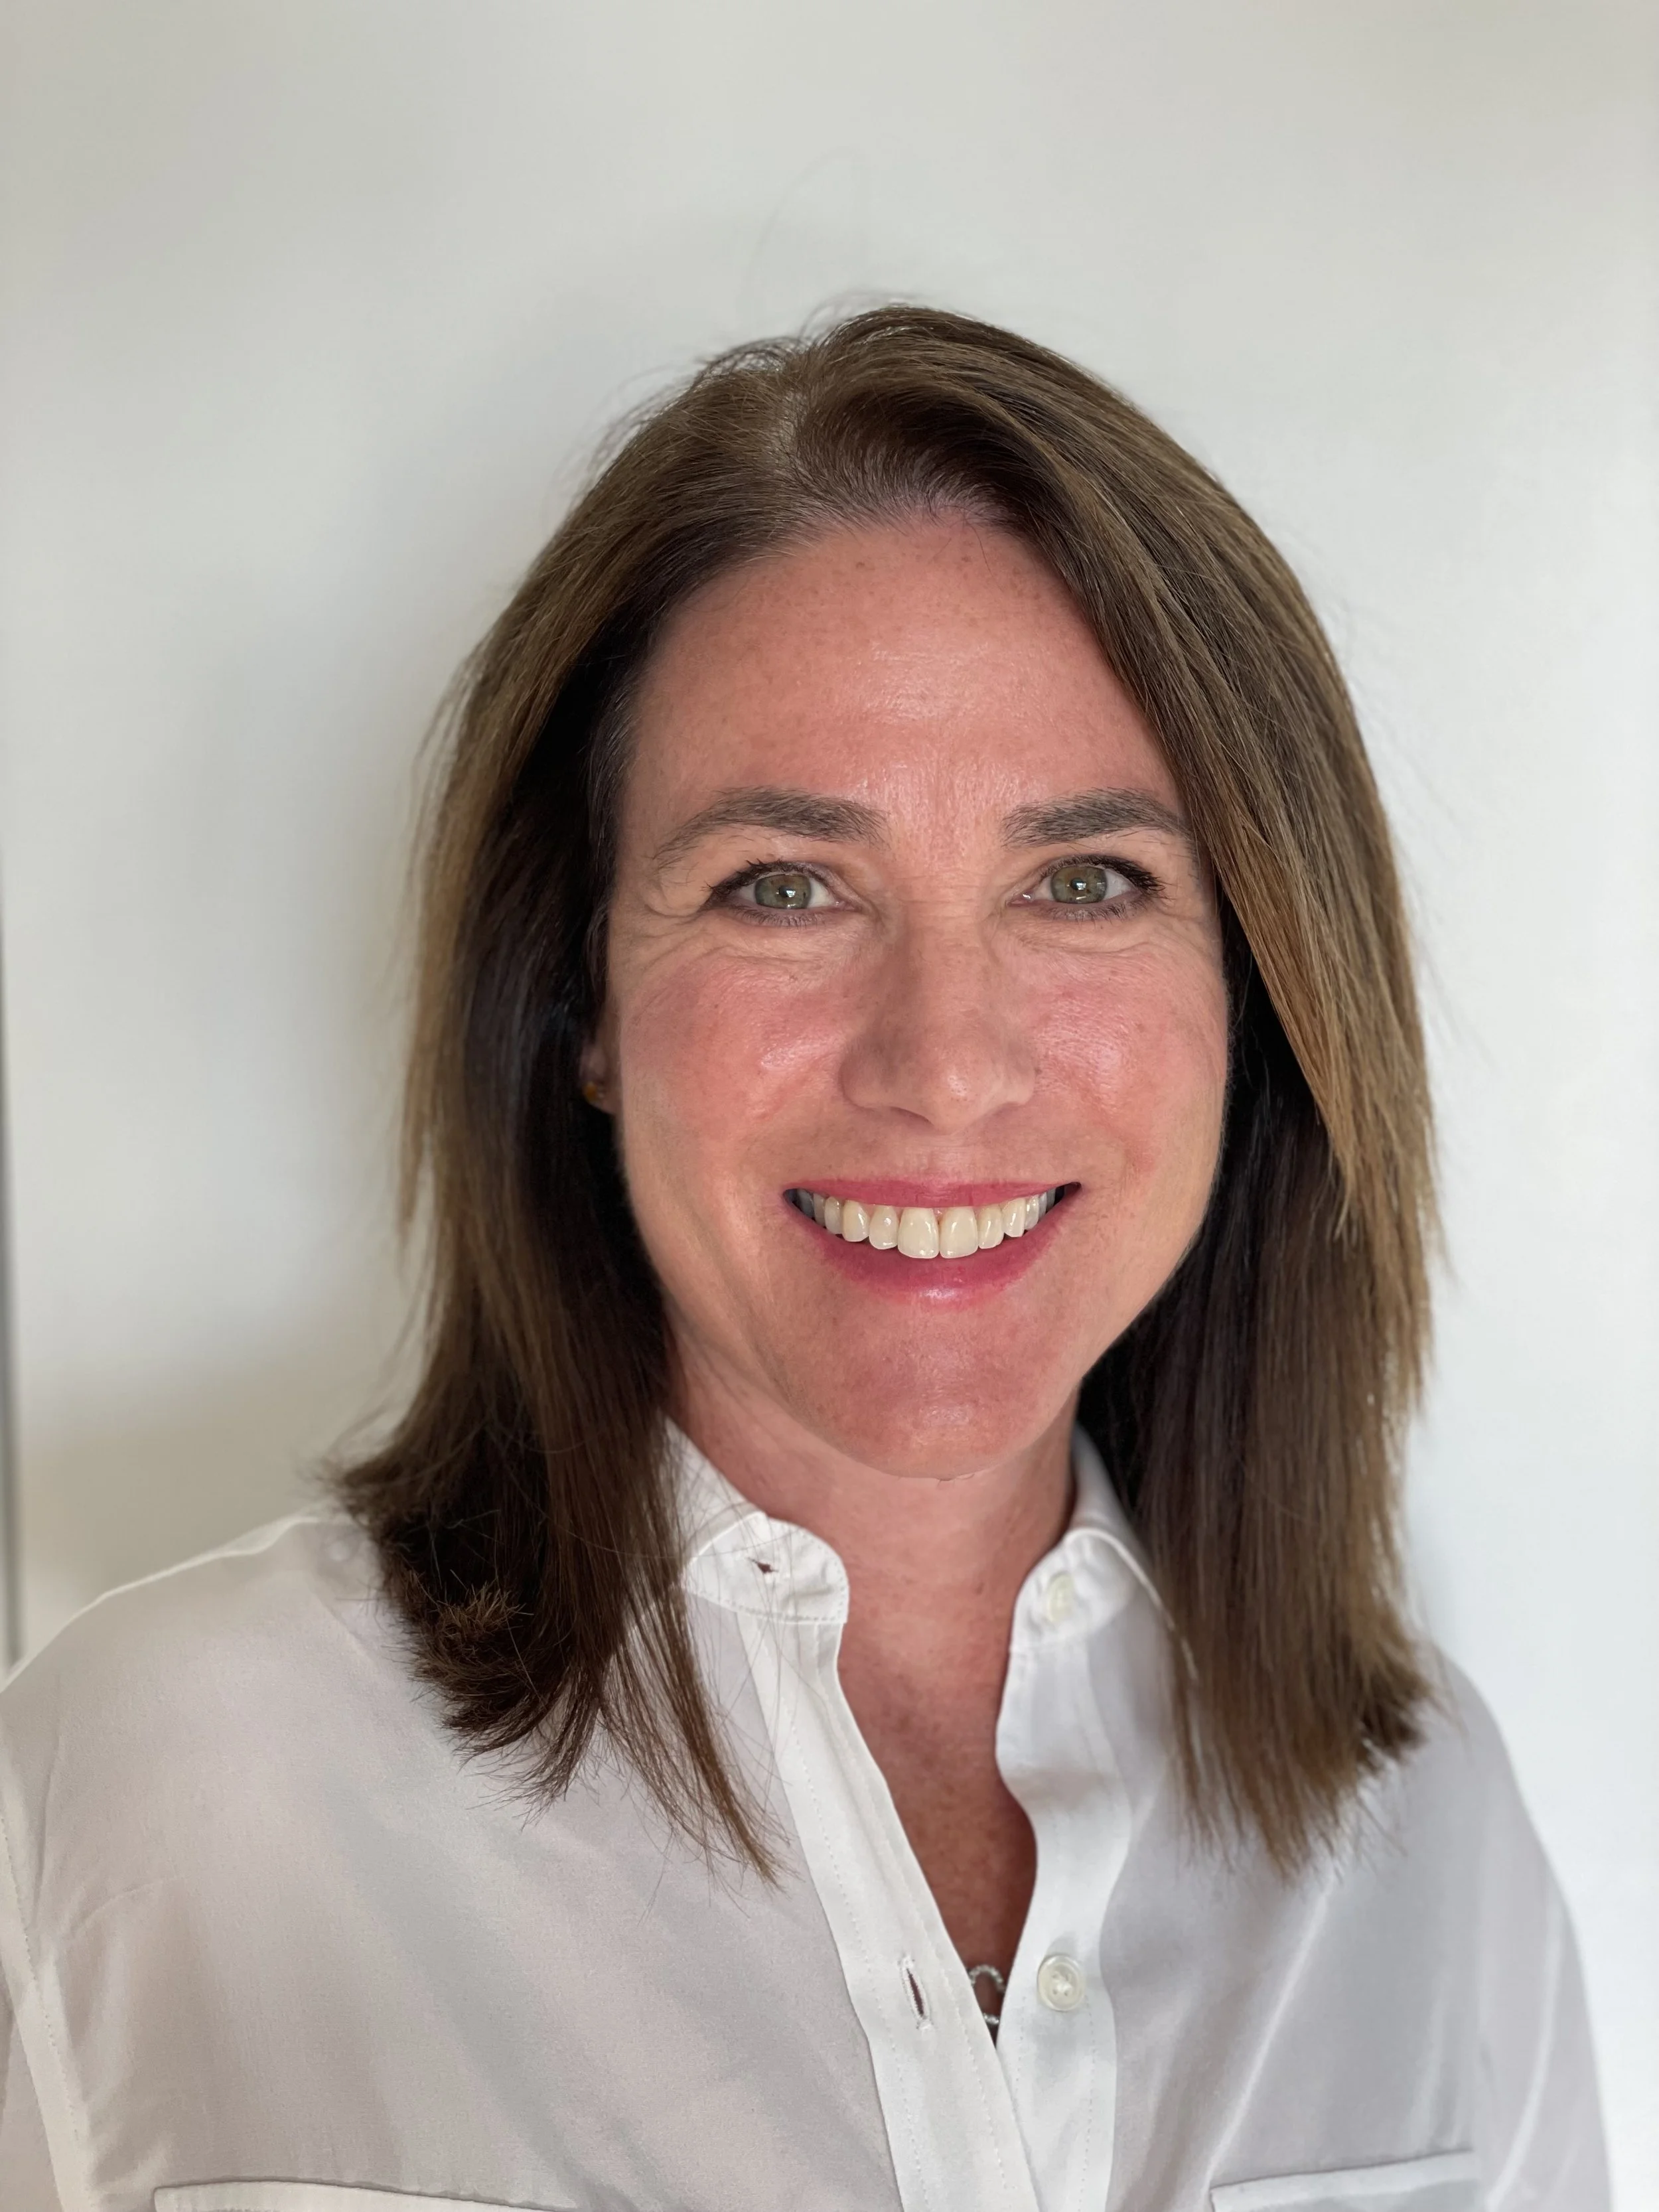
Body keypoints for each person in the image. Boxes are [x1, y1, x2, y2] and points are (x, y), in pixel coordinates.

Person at [0, 307, 1607, 2211]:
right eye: (783, 884)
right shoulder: (142, 1793)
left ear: (1258, 993)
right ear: (577, 998)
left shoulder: (1425, 1827)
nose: (940, 1062)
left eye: (1085, 879)